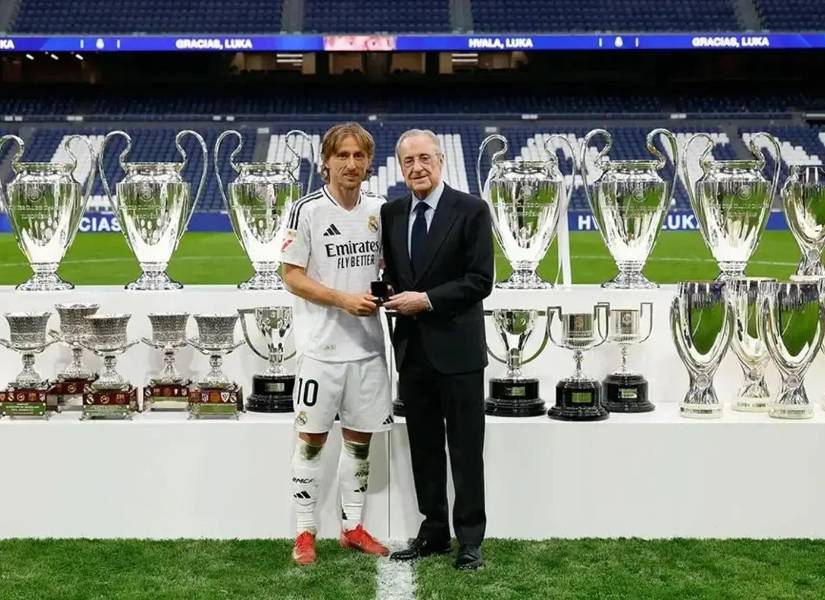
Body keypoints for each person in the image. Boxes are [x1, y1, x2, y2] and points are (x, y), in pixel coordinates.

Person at [381, 129, 494, 570]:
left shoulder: (471, 210)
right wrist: (384, 292)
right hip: (412, 352)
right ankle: (433, 532)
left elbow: (480, 280)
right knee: (424, 448)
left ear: (440, 161)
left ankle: (470, 540)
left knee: (465, 450)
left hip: (458, 353)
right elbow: (395, 274)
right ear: (400, 167)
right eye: (408, 161)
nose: (417, 168)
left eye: (424, 158)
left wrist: (426, 300)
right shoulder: (392, 213)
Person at [281, 122, 392, 566]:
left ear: (369, 162)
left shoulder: (381, 210)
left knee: (359, 442)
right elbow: (292, 276)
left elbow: (389, 269)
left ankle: (352, 527)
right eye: (342, 155)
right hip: (321, 350)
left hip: (368, 348)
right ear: (325, 162)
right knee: (311, 440)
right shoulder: (306, 210)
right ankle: (305, 531)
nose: (351, 163)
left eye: (359, 156)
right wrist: (343, 300)